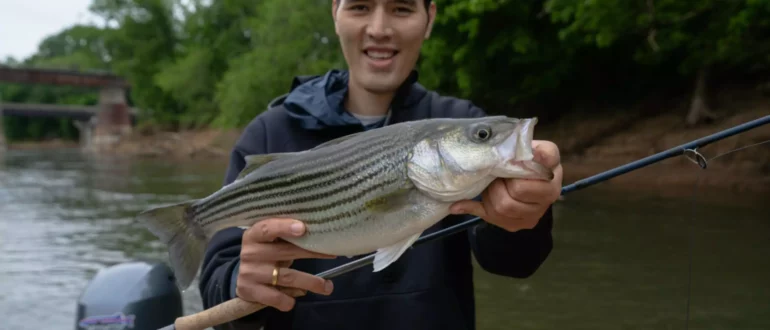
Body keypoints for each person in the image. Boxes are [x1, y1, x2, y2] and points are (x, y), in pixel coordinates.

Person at [198, 0, 564, 329]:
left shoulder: (460, 119)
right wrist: (239, 282)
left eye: (401, 8)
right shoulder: (270, 131)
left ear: (429, 17)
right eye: (359, 7)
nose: (379, 28)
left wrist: (524, 215)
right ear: (335, 14)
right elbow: (218, 285)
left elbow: (514, 263)